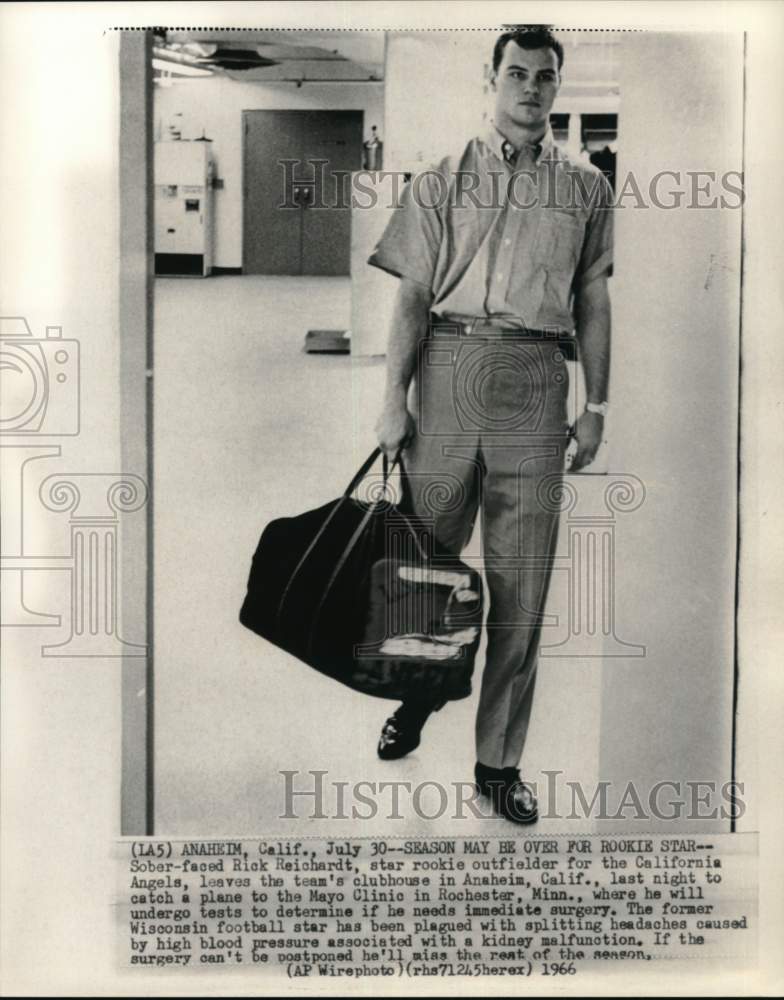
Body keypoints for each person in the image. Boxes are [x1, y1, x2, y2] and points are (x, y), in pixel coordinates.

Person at [368, 26, 613, 824]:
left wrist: (596, 405)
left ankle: (497, 764)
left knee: (522, 589)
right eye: (517, 73)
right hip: (446, 372)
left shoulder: (586, 191)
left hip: (538, 385)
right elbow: (409, 296)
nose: (531, 88)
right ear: (492, 78)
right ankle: (415, 699)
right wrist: (391, 401)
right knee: (422, 574)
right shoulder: (440, 180)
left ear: (556, 87)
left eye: (545, 77)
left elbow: (593, 302)